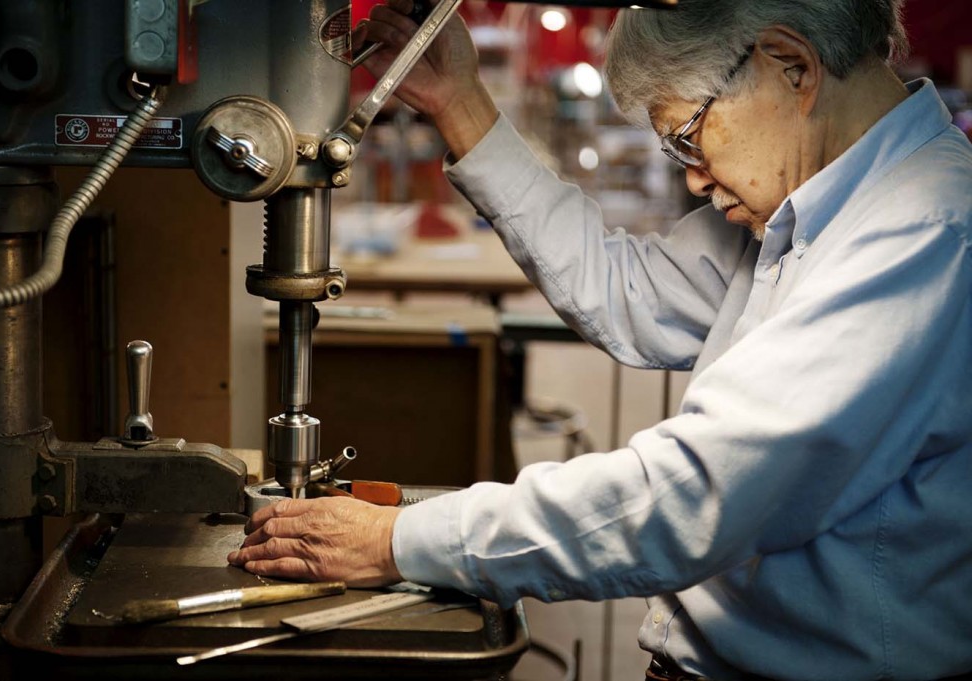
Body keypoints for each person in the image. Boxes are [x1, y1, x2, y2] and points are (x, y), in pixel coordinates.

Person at [228, 1, 972, 678]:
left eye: (687, 136)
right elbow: (629, 296)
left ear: (792, 67)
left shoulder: (922, 234)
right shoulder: (813, 204)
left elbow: (691, 496)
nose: (694, 181)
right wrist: (460, 104)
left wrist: (399, 541)